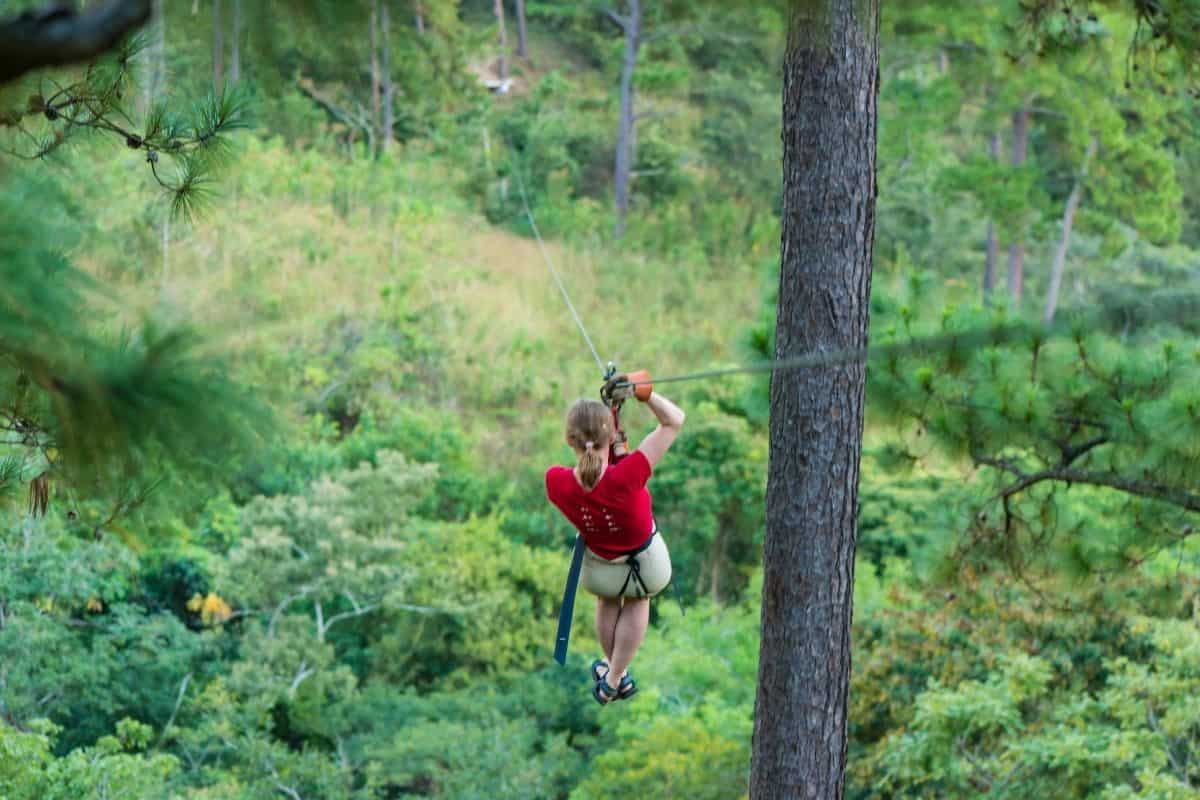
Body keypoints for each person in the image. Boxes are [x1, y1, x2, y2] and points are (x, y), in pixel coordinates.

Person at [545, 375, 685, 705]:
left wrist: (614, 436)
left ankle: (614, 676)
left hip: (599, 571)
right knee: (638, 599)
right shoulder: (629, 476)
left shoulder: (556, 482)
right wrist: (644, 393)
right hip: (645, 566)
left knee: (608, 602)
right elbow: (674, 421)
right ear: (610, 437)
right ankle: (613, 678)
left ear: (570, 440)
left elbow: (595, 476)